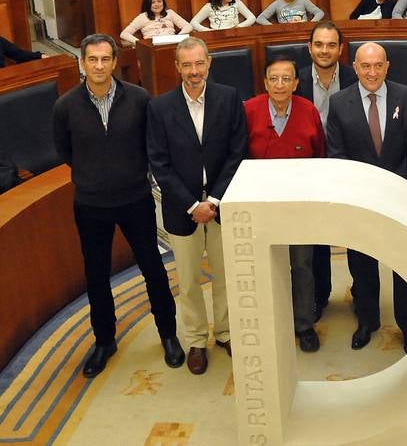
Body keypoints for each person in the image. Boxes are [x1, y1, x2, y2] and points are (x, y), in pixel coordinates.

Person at [53, 33, 181, 377]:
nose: (98, 66)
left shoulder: (138, 98)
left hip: (135, 199)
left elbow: (150, 144)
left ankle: (168, 334)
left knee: (153, 269)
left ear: (114, 62)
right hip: (91, 204)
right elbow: (65, 151)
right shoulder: (65, 105)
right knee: (96, 276)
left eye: (104, 59)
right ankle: (104, 340)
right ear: (82, 63)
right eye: (91, 59)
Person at [147, 37, 248, 375]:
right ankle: (195, 341)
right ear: (177, 67)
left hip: (222, 206)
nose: (194, 71)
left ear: (209, 63)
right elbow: (159, 164)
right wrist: (193, 205)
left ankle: (225, 332)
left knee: (224, 276)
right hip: (181, 209)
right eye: (186, 65)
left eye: (198, 64)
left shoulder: (229, 98)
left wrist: (214, 200)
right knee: (189, 282)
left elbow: (237, 152)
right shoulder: (160, 108)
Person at [325, 42, 407, 350]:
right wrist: (368, 187)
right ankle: (367, 321)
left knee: (406, 265)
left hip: (400, 197)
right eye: (365, 66)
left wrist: (393, 185)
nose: (372, 72)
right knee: (362, 264)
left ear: (387, 66)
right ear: (354, 67)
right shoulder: (339, 102)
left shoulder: (406, 97)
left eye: (377, 65)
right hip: (361, 200)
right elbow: (337, 155)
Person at [243, 57, 326, 351]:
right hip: (259, 205)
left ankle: (303, 324)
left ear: (296, 83)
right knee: (262, 266)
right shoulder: (248, 111)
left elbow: (320, 158)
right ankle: (269, 323)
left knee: (302, 265)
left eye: (286, 79)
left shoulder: (308, 111)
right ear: (265, 83)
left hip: (298, 206)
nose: (280, 85)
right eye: (274, 79)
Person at [296, 20, 358, 316]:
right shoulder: (293, 79)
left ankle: (362, 292)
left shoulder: (353, 77)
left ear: (341, 49)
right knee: (314, 236)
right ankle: (319, 296)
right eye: (319, 44)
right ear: (309, 48)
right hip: (308, 169)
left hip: (347, 164)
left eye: (331, 45)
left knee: (356, 234)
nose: (324, 50)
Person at [120, 0, 192, 44]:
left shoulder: (170, 13)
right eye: (153, 2)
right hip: (153, 47)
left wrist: (177, 37)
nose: (157, 4)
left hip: (172, 44)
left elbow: (188, 26)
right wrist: (141, 44)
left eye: (159, 1)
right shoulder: (142, 17)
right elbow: (124, 34)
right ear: (148, 4)